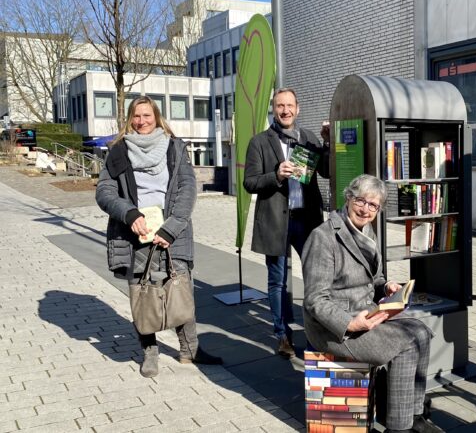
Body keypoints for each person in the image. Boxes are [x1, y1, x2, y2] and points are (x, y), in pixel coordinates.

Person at [301, 175, 443, 433]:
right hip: (334, 326)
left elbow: (374, 277)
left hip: (365, 311)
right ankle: (399, 428)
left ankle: (415, 414)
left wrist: (386, 286)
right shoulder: (322, 237)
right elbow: (314, 300)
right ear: (349, 198)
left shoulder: (368, 232)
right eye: (361, 201)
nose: (366, 209)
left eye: (373, 206)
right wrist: (349, 323)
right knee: (406, 345)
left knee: (421, 333)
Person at [96, 96, 222, 378]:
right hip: (134, 234)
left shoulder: (175, 148)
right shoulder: (118, 151)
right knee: (143, 294)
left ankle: (190, 350)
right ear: (130, 118)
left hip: (171, 233)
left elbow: (187, 188)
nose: (141, 121)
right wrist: (129, 214)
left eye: (147, 115)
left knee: (181, 289)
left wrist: (171, 227)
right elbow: (104, 192)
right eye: (136, 116)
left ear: (156, 117)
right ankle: (149, 352)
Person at [243, 88, 329, 359]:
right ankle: (282, 336)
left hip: (307, 219)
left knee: (316, 279)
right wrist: (276, 175)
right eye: (280, 105)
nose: (285, 110)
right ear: (274, 109)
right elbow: (250, 182)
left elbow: (326, 171)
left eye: (290, 105)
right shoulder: (259, 142)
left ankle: (315, 333)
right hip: (275, 221)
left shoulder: (308, 138)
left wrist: (327, 143)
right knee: (277, 281)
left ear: (297, 108)